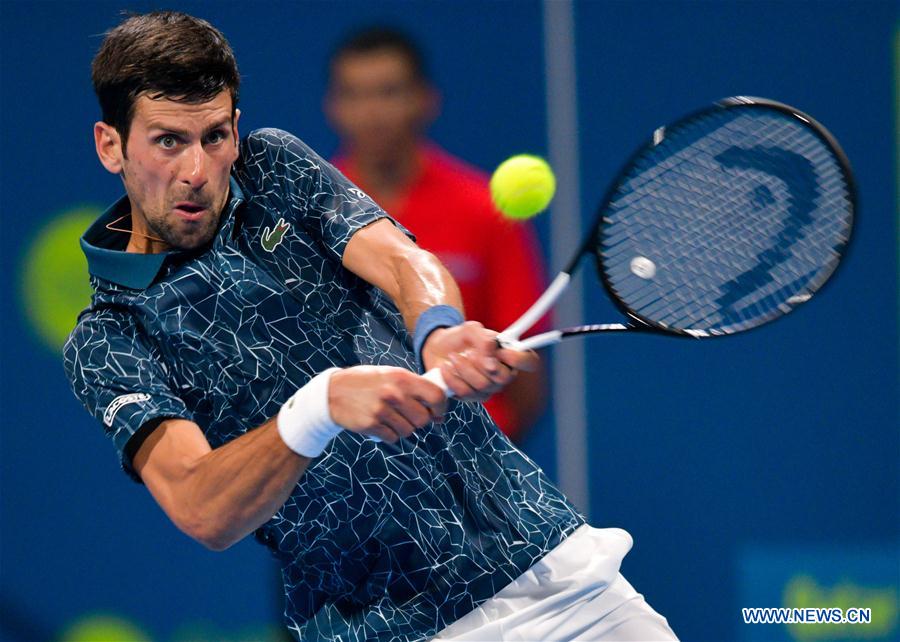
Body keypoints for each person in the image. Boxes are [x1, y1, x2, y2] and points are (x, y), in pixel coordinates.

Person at [64, 11, 677, 642]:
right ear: (111, 145)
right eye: (168, 141)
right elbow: (202, 508)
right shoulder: (110, 339)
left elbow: (402, 261)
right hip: (387, 629)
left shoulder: (273, 167)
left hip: (554, 571)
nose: (197, 168)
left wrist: (438, 330)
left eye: (215, 136)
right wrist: (320, 406)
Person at [325, 27, 548, 441]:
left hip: (466, 457)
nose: (372, 112)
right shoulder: (310, 214)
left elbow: (524, 378)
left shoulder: (483, 209)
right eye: (354, 94)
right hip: (348, 464)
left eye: (388, 92)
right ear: (333, 107)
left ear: (424, 100)